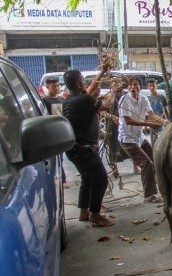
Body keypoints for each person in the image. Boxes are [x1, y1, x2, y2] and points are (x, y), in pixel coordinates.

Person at [62, 65, 114, 227]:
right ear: (78, 84)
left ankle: (84, 211)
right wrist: (114, 91)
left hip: (74, 150)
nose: (86, 84)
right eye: (83, 81)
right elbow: (106, 105)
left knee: (87, 178)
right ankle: (95, 214)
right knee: (101, 179)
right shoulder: (85, 99)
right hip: (84, 150)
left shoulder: (70, 100)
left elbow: (90, 89)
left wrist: (102, 72)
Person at [118, 76, 169, 203]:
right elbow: (128, 120)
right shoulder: (124, 100)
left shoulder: (144, 98)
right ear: (128, 87)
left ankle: (162, 185)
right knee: (146, 163)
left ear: (140, 87)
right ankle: (149, 195)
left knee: (156, 158)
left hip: (139, 137)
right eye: (132, 85)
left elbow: (151, 114)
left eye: (136, 84)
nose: (134, 87)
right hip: (127, 139)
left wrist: (164, 122)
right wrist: (148, 124)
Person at [42, 77, 68, 189]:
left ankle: (62, 179)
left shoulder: (61, 100)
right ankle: (62, 179)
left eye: (58, 86)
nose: (57, 88)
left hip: (61, 132)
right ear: (47, 87)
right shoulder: (44, 101)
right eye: (53, 86)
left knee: (60, 157)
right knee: (55, 157)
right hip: (51, 133)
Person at [146, 78, 168, 144]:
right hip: (152, 123)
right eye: (150, 86)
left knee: (163, 141)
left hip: (162, 121)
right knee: (154, 142)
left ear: (156, 86)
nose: (152, 87)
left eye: (153, 85)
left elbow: (165, 110)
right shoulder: (147, 99)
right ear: (148, 87)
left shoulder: (162, 97)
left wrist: (168, 119)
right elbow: (147, 113)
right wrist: (145, 126)